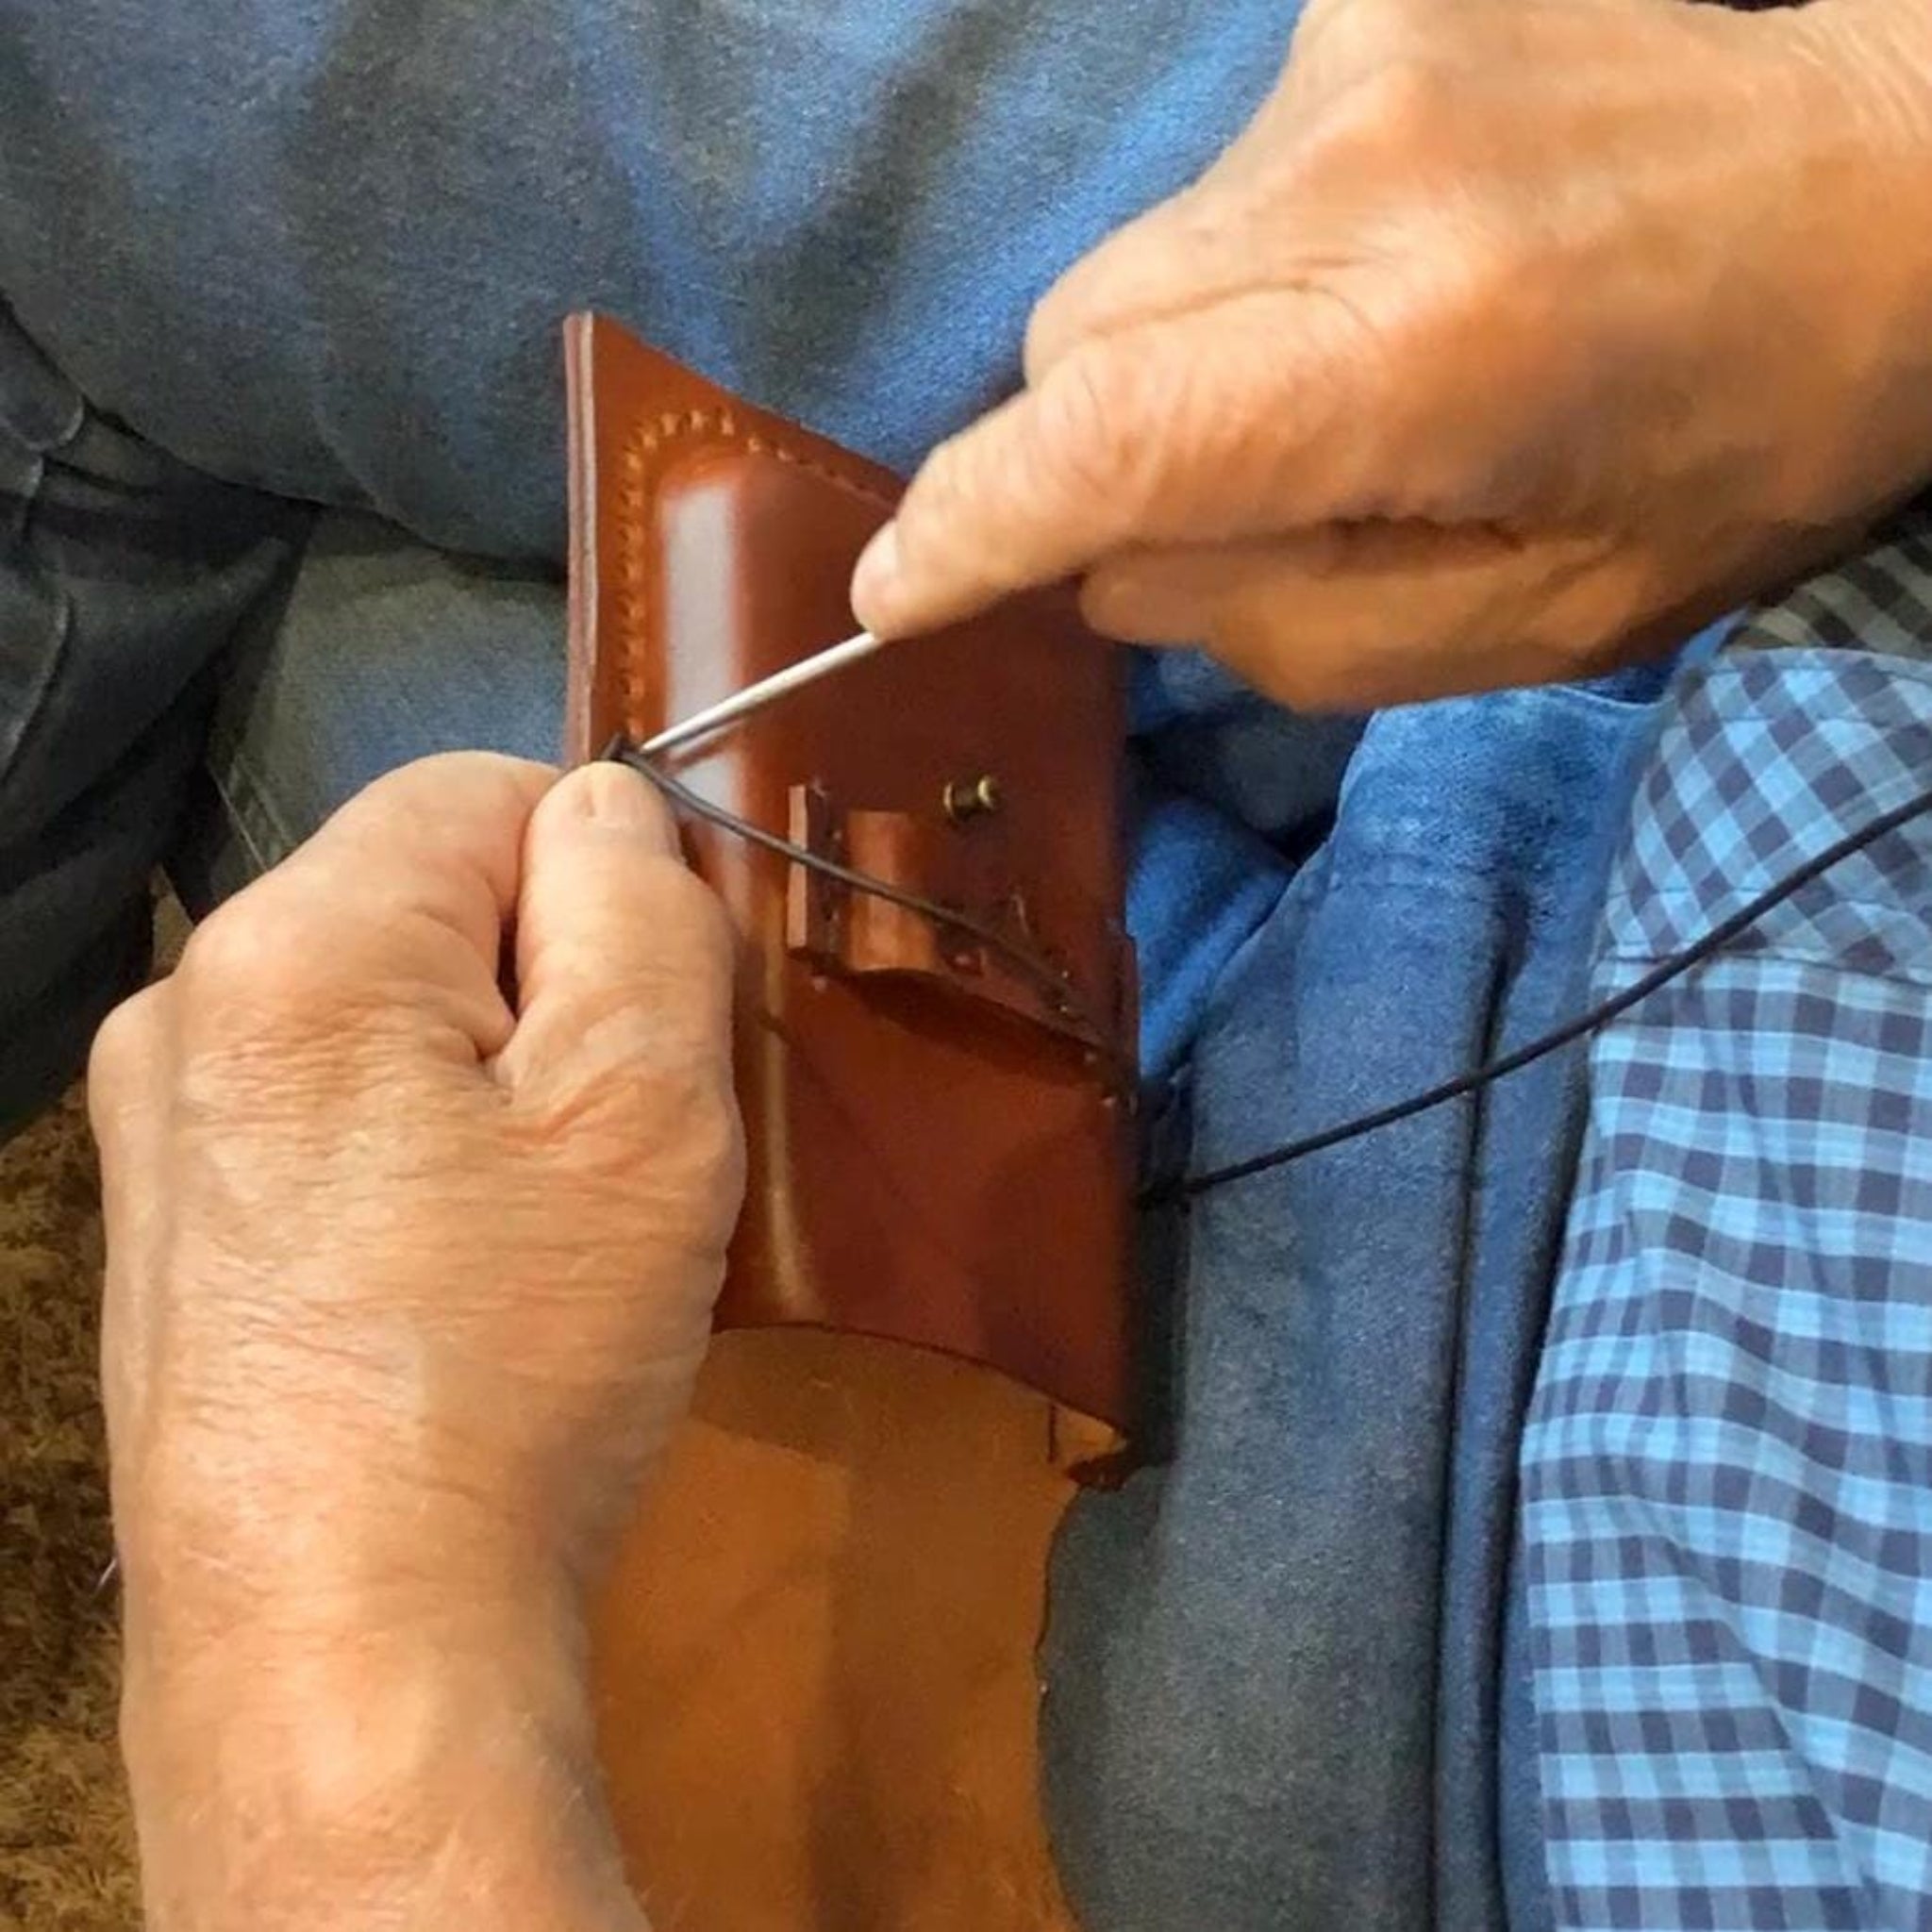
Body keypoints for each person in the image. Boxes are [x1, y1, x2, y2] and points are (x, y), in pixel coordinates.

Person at [8, 0, 1932, 1924]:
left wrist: (327, 1703)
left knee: (310, 602)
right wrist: (1872, 154)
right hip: (1814, 574)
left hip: (1434, 1585)